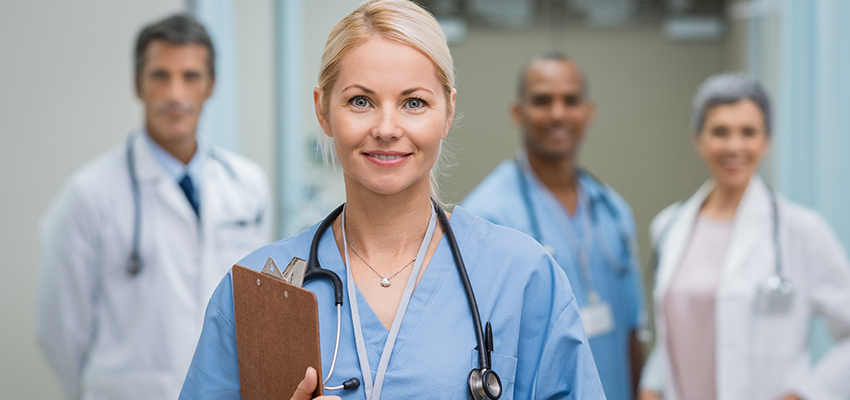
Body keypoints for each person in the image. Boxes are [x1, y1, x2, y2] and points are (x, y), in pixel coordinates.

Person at [179, 1, 604, 399]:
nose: (386, 127)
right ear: (323, 110)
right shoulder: (255, 293)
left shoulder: (521, 278)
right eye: (360, 101)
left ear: (448, 112)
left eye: (414, 102)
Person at [36, 15, 270, 400]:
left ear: (212, 85)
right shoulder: (90, 194)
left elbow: (252, 306)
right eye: (160, 75)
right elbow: (59, 327)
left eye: (191, 76)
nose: (175, 93)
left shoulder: (247, 185)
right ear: (137, 85)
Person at [637, 73, 850, 400]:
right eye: (720, 132)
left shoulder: (803, 231)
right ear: (699, 140)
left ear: (766, 141)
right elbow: (683, 333)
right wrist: (652, 385)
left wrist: (805, 394)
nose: (734, 146)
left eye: (748, 132)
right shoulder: (669, 225)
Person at [462, 54, 646, 400]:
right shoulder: (488, 216)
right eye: (543, 101)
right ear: (517, 112)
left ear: (588, 111)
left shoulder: (613, 211)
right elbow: (481, 346)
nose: (558, 113)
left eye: (571, 101)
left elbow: (632, 331)